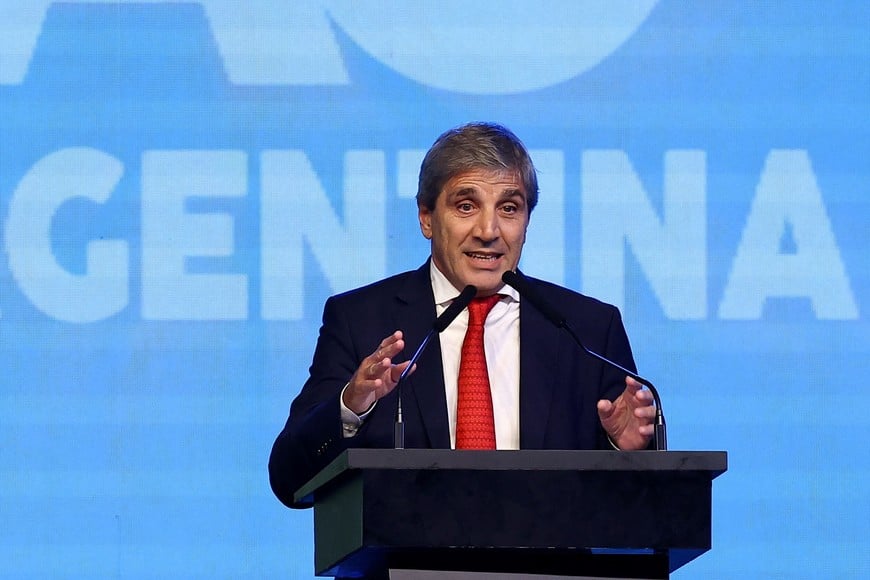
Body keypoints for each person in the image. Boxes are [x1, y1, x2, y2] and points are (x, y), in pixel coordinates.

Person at [269, 122, 655, 508]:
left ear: (527, 222)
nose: (489, 231)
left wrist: (622, 450)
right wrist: (350, 407)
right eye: (466, 206)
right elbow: (290, 479)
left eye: (509, 208)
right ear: (426, 218)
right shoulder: (360, 320)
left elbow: (640, 509)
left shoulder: (587, 330)